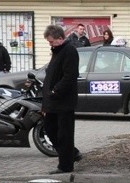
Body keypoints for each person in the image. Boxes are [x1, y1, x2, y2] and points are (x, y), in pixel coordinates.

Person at [42, 24, 81, 174]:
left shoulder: (69, 51)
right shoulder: (57, 51)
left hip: (63, 101)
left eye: (51, 41)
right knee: (50, 130)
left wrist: (55, 90)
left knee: (64, 134)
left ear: (60, 38)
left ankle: (65, 165)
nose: (50, 44)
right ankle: (72, 154)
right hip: (52, 101)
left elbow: (70, 76)